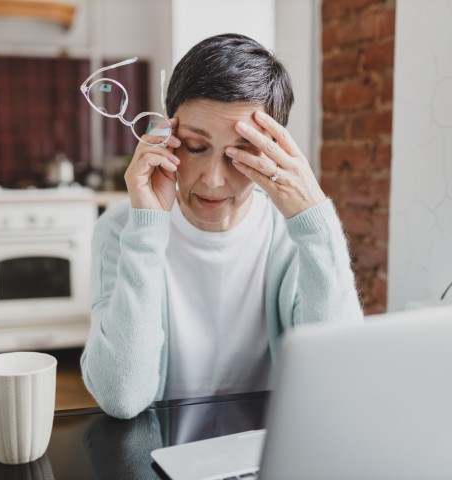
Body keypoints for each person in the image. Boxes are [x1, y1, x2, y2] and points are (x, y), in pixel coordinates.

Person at [81, 33, 363, 419]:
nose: (213, 180)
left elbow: (341, 384)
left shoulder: (292, 236)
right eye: (195, 147)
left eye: (240, 153)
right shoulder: (120, 228)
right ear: (167, 136)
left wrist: (315, 222)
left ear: (274, 150)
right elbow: (122, 397)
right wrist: (146, 229)